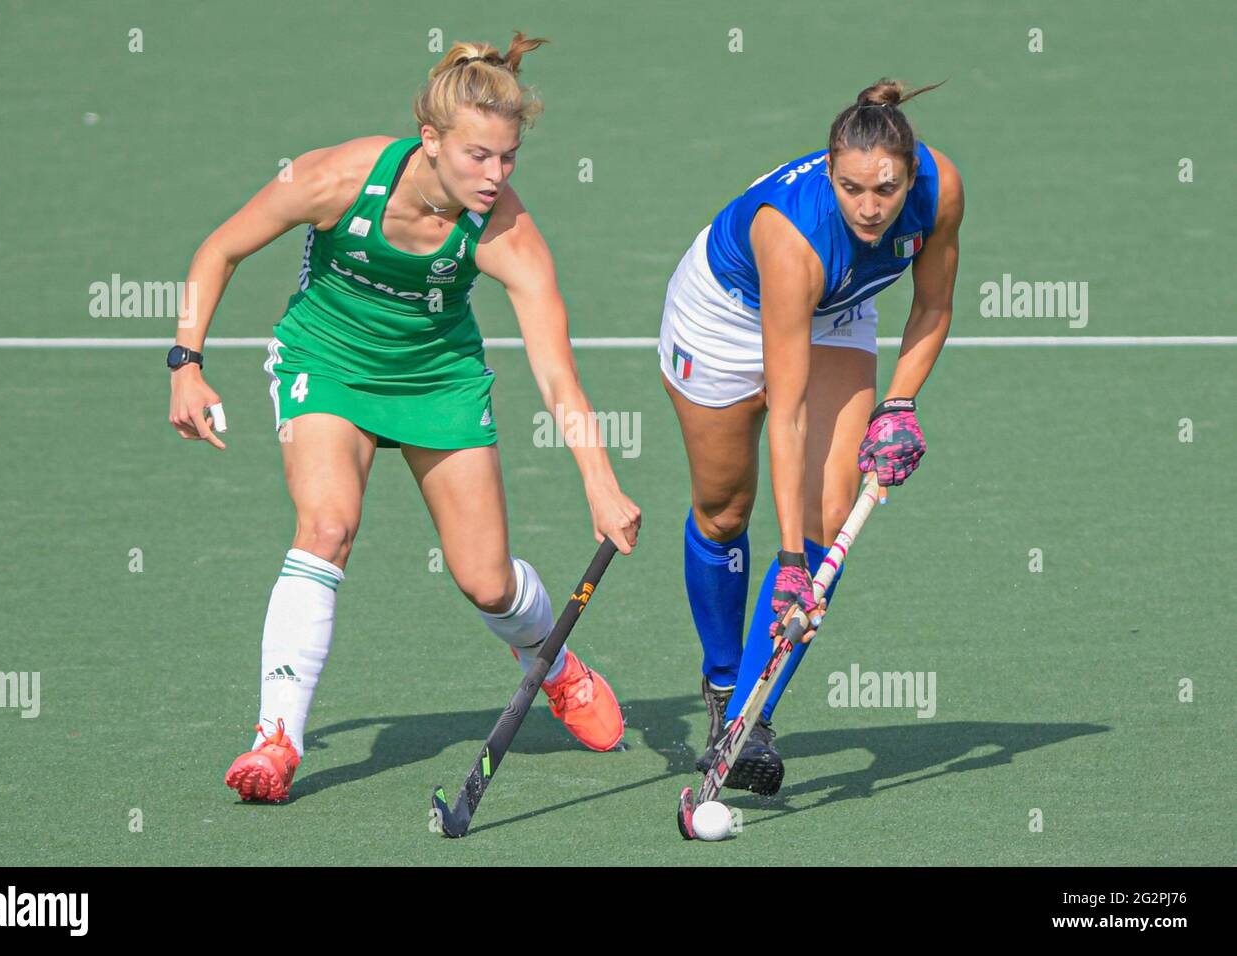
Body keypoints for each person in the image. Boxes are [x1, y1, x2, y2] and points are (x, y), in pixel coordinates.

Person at [167, 32, 641, 802]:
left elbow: (558, 375)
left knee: (487, 584)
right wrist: (185, 362)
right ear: (431, 140)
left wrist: (599, 481)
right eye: (478, 157)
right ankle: (275, 740)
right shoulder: (335, 177)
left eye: (509, 158)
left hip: (437, 379)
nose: (495, 176)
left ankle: (552, 665)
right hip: (328, 364)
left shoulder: (506, 231)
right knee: (325, 526)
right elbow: (219, 249)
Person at [658, 78, 963, 794]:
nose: (869, 206)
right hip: (726, 313)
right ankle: (723, 676)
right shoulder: (792, 232)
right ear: (829, 176)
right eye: (852, 188)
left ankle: (746, 718)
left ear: (910, 175)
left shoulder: (940, 191)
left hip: (839, 307)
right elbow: (786, 411)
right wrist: (788, 558)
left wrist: (899, 404)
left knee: (832, 514)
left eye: (885, 190)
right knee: (723, 509)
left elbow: (934, 302)